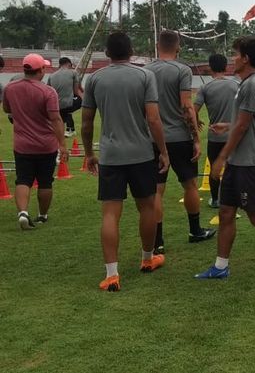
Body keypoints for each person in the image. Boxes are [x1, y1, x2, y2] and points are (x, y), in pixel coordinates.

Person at [195, 36, 255, 283]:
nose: (232, 58)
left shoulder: (251, 85)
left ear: (246, 58)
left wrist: (220, 159)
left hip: (250, 164)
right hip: (239, 163)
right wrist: (226, 125)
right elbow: (242, 122)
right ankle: (220, 266)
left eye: (235, 53)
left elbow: (243, 127)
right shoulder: (245, 83)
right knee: (226, 212)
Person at [81, 32, 169, 292]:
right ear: (131, 51)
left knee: (110, 213)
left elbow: (86, 122)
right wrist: (163, 151)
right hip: (141, 154)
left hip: (110, 156)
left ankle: (111, 274)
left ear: (107, 53)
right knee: (147, 207)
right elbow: (153, 119)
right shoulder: (144, 76)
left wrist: (88, 153)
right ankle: (147, 259)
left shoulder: (95, 79)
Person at [149, 30, 215, 254]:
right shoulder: (182, 70)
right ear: (178, 48)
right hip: (179, 138)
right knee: (189, 185)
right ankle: (195, 230)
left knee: (156, 191)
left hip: (153, 139)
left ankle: (157, 242)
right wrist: (196, 137)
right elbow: (187, 105)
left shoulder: (146, 71)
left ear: (158, 46)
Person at [3, 54, 68, 230]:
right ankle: (42, 215)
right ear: (40, 70)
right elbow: (56, 119)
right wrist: (62, 144)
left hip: (22, 144)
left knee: (23, 179)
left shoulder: (10, 88)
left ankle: (23, 212)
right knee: (45, 181)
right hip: (46, 145)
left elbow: (7, 109)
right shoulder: (47, 92)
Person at [194, 54, 240, 209]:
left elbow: (193, 111)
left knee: (215, 168)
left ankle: (215, 199)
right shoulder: (236, 85)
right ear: (226, 67)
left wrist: (197, 120)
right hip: (233, 134)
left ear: (210, 68)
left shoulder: (205, 88)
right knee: (232, 167)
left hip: (214, 135)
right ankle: (233, 198)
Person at [47, 57, 83, 137]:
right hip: (68, 105)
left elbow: (48, 91)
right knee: (77, 101)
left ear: (59, 65)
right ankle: (70, 129)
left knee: (64, 114)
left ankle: (69, 129)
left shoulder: (51, 76)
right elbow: (76, 91)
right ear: (69, 64)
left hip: (56, 105)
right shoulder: (73, 73)